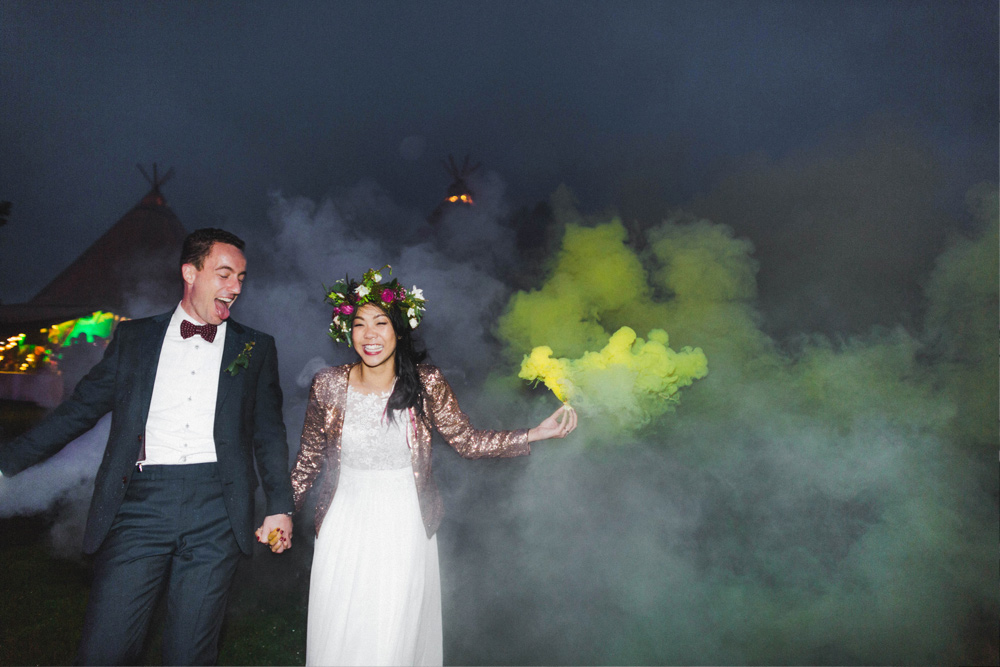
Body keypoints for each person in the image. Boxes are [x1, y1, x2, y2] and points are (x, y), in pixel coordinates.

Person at [0, 228, 295, 665]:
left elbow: (269, 432)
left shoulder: (255, 347)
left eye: (242, 278)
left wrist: (279, 504)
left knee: (188, 654)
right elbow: (78, 411)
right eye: (225, 274)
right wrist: (7, 464)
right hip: (139, 505)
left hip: (217, 508)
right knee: (104, 650)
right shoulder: (135, 340)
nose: (236, 287)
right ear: (190, 272)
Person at [289, 266, 577, 666]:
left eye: (381, 323)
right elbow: (307, 459)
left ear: (400, 330)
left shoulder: (425, 383)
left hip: (404, 523)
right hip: (342, 522)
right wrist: (281, 513)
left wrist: (532, 434)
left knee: (392, 634)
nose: (369, 335)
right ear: (346, 331)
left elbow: (467, 441)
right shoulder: (328, 384)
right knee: (340, 628)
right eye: (359, 324)